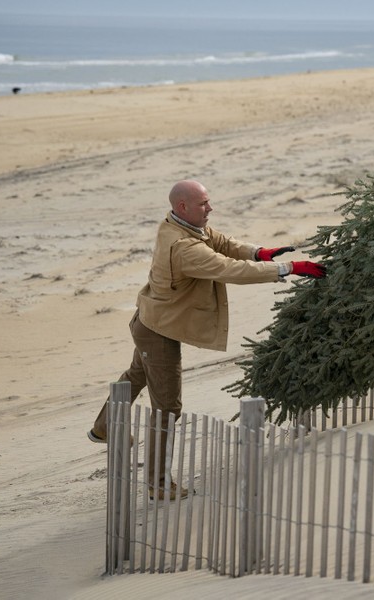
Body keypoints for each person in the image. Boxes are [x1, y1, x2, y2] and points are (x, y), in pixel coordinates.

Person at [88, 179, 326, 500]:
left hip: (151, 320)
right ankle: (159, 484)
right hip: (159, 332)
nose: (210, 208)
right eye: (203, 204)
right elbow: (228, 268)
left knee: (136, 375)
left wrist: (260, 252)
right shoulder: (182, 247)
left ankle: (104, 427)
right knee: (167, 408)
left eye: (208, 202)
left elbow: (223, 243)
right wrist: (288, 268)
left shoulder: (181, 225)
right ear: (183, 206)